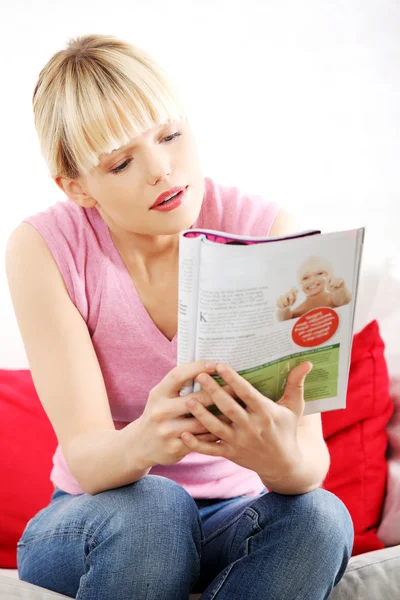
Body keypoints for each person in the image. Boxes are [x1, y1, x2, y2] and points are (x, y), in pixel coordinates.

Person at [5, 34, 354, 600]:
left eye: (170, 135)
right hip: (97, 515)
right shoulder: (44, 247)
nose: (163, 170)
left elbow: (308, 466)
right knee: (155, 509)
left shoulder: (267, 231)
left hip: (236, 514)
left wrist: (278, 456)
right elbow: (90, 461)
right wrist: (148, 438)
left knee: (319, 518)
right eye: (121, 163)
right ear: (77, 188)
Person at [276, 256, 352, 321]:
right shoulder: (299, 310)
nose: (312, 281)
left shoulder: (333, 299)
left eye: (319, 273)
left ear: (329, 274)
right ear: (300, 284)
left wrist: (339, 289)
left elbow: (343, 301)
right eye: (305, 278)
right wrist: (283, 307)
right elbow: (285, 319)